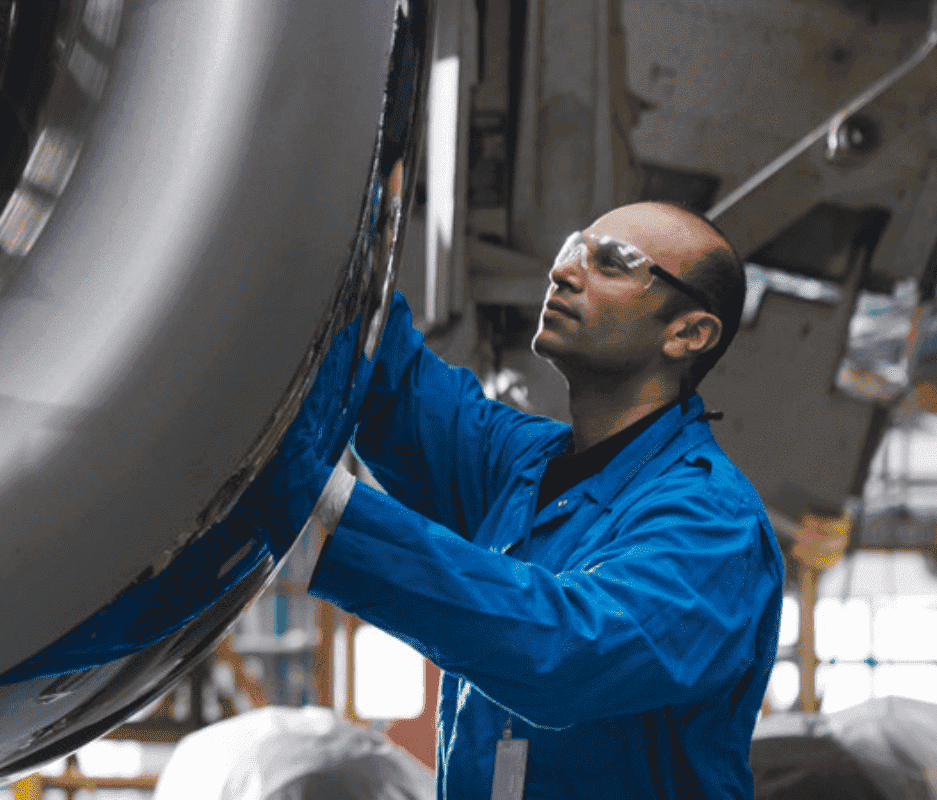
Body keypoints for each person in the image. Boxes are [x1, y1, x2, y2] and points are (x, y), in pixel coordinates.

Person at [306, 202, 784, 799]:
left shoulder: (715, 522)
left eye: (611, 262)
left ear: (688, 333)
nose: (564, 272)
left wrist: (326, 507)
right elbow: (389, 385)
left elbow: (566, 652)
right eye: (571, 249)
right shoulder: (522, 466)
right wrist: (339, 228)